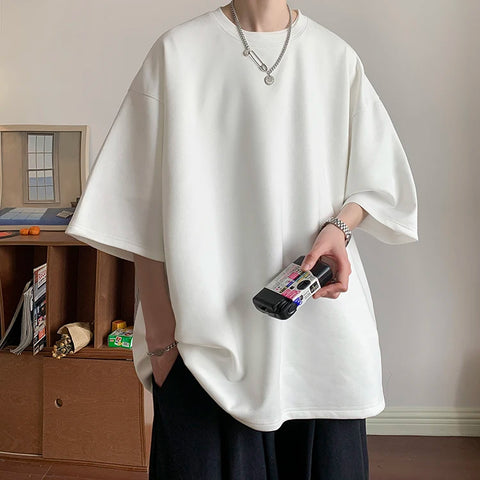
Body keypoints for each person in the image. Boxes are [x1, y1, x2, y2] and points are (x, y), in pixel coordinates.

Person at [65, 1, 419, 478]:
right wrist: (163, 344)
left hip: (321, 342)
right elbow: (137, 210)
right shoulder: (177, 53)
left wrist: (340, 226)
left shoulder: (336, 57)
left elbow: (379, 183)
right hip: (205, 346)